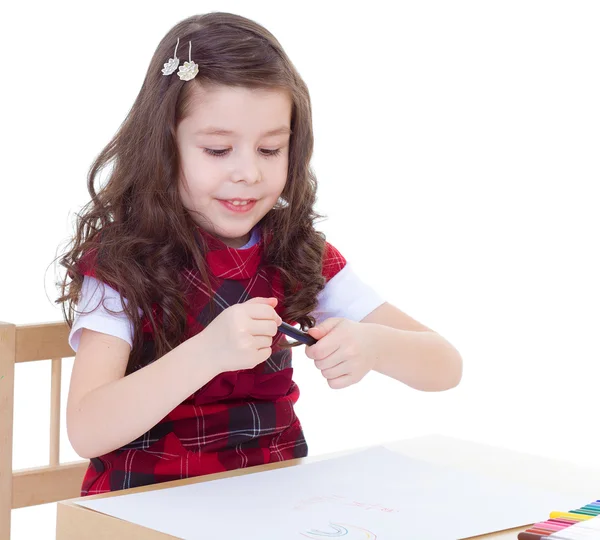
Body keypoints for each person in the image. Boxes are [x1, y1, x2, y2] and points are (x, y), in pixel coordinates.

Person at [55, 12, 462, 496]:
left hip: (273, 504)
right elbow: (86, 429)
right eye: (217, 150)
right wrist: (207, 353)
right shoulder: (123, 263)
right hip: (145, 508)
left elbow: (445, 366)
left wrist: (374, 345)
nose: (248, 173)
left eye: (270, 150)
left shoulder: (297, 253)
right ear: (165, 147)